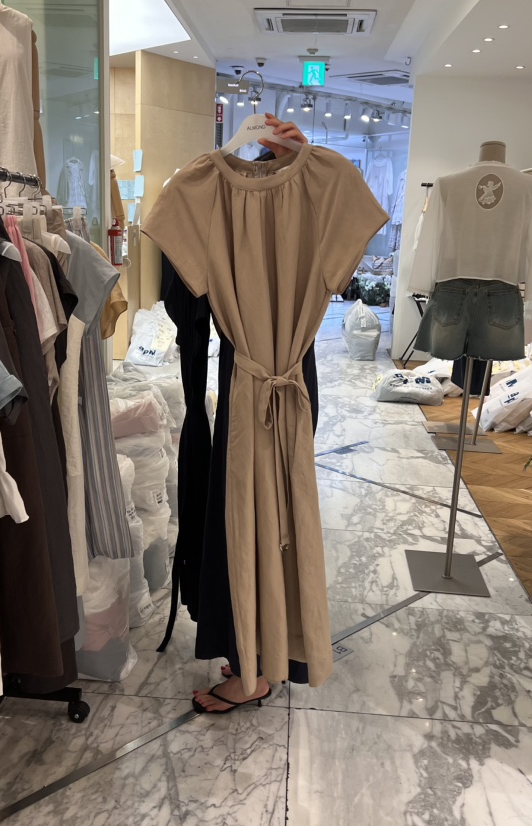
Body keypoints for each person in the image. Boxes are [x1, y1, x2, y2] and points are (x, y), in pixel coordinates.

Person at [192, 114, 312, 714]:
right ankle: (261, 650)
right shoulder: (309, 196)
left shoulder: (213, 196)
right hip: (280, 371)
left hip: (257, 378)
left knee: (249, 517)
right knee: (266, 513)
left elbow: (183, 296)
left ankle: (253, 671)